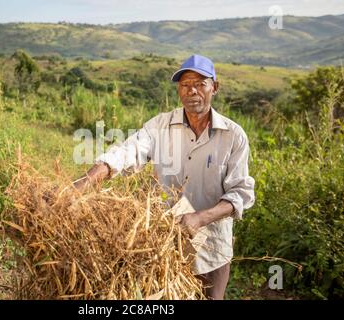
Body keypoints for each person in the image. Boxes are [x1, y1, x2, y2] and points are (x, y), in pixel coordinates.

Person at [73, 54, 255, 300]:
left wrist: (200, 218)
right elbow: (126, 153)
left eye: (200, 84)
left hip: (211, 249)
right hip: (163, 247)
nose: (192, 91)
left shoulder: (233, 136)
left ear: (215, 87)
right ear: (179, 90)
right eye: (185, 84)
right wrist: (83, 183)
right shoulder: (160, 126)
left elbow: (240, 194)